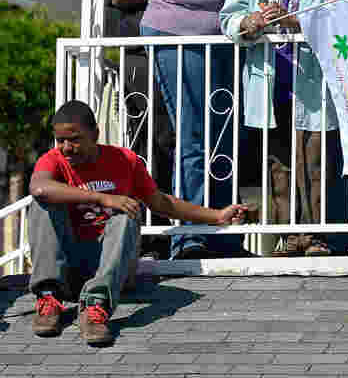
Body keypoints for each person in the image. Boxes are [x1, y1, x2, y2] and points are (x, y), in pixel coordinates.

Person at [140, 0, 284, 259]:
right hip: (176, 35)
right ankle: (191, 235)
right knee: (194, 137)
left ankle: (223, 232)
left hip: (221, 37)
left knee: (223, 138)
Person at [29, 100, 247, 346]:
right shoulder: (53, 160)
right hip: (69, 269)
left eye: (75, 139)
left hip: (112, 269)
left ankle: (96, 306)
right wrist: (103, 198)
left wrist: (216, 216)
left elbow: (161, 202)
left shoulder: (124, 160)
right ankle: (49, 297)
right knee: (41, 203)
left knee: (127, 212)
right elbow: (39, 187)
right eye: (60, 140)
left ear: (96, 134)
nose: (66, 148)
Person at [220, 0, 348, 256]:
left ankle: (315, 236)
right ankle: (286, 237)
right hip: (269, 77)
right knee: (277, 163)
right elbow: (229, 16)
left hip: (316, 80)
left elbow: (347, 16)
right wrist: (249, 23)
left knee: (315, 159)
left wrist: (297, 21)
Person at [107, 0, 176, 258]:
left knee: (196, 146)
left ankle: (199, 234)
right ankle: (151, 236)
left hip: (196, 56)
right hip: (143, 58)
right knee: (150, 145)